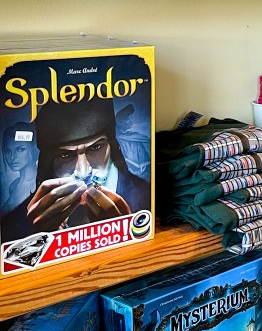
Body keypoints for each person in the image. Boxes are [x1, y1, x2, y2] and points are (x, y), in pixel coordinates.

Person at [0, 96, 150, 238]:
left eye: (95, 147)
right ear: (48, 162)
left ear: (112, 146)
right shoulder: (17, 223)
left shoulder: (146, 195)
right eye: (65, 155)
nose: (84, 171)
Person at [1, 123, 37, 216]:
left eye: (20, 149)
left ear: (32, 148)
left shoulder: (38, 184)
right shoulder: (14, 185)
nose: (12, 157)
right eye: (7, 151)